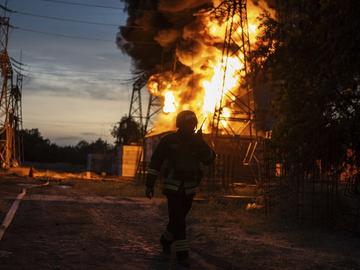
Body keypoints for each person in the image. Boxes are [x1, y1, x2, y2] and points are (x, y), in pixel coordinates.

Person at [145, 110, 215, 268]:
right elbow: (155, 162)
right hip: (172, 188)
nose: (190, 127)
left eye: (192, 124)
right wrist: (149, 184)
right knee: (180, 221)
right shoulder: (168, 140)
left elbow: (210, 160)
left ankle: (166, 239)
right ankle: (183, 256)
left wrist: (202, 144)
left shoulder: (197, 142)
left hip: (189, 190)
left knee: (177, 220)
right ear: (180, 125)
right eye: (187, 124)